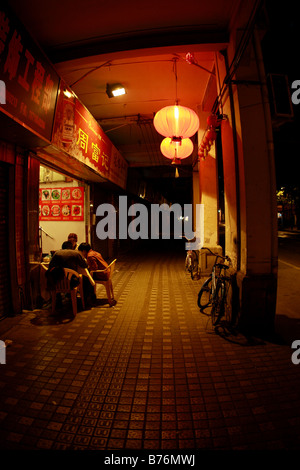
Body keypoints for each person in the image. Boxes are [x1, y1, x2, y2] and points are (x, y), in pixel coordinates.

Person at [46, 240, 93, 308]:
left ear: (62, 247)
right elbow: (85, 265)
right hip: (71, 282)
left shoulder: (57, 253)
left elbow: (50, 266)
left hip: (57, 282)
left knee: (54, 278)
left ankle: (58, 302)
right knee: (85, 279)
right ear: (71, 247)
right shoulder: (75, 253)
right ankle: (84, 301)